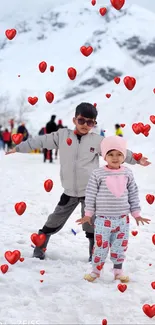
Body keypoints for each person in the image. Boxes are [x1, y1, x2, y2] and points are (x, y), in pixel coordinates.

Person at [6, 103, 150, 261]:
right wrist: (19, 147)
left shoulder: (97, 141)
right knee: (54, 220)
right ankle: (40, 245)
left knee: (92, 224)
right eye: (82, 121)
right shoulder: (62, 136)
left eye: (90, 122)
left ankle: (94, 253)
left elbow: (118, 151)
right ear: (75, 119)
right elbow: (40, 141)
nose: (85, 125)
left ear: (94, 124)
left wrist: (136, 159)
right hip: (69, 192)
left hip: (91, 192)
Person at [76, 136, 150, 282]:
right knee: (100, 247)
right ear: (104, 156)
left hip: (122, 219)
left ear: (123, 156)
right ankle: (96, 271)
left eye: (119, 154)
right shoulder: (98, 174)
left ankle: (118, 270)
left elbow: (133, 193)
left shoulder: (127, 173)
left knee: (120, 247)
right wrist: (88, 213)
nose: (115, 158)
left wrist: (136, 213)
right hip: (103, 220)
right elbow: (91, 194)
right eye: (110, 154)